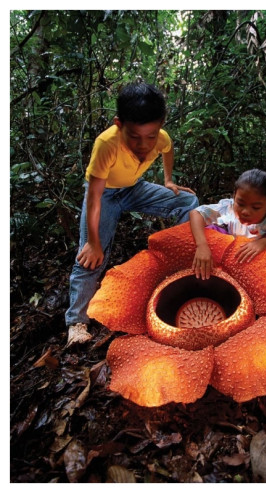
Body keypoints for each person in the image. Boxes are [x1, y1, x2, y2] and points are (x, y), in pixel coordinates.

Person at [65, 82, 198, 346]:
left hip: (133, 188)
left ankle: (177, 262)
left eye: (151, 136)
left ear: (160, 124)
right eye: (135, 136)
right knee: (90, 258)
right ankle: (76, 322)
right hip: (104, 196)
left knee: (188, 201)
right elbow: (93, 199)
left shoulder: (161, 137)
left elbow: (167, 150)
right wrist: (93, 242)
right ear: (119, 124)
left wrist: (169, 180)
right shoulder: (106, 144)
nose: (144, 145)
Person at [190, 169, 266, 280]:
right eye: (240, 204)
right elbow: (196, 213)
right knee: (210, 230)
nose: (245, 212)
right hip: (228, 260)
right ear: (234, 197)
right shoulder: (228, 207)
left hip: (263, 265)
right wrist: (202, 246)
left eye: (255, 207)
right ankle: (208, 271)